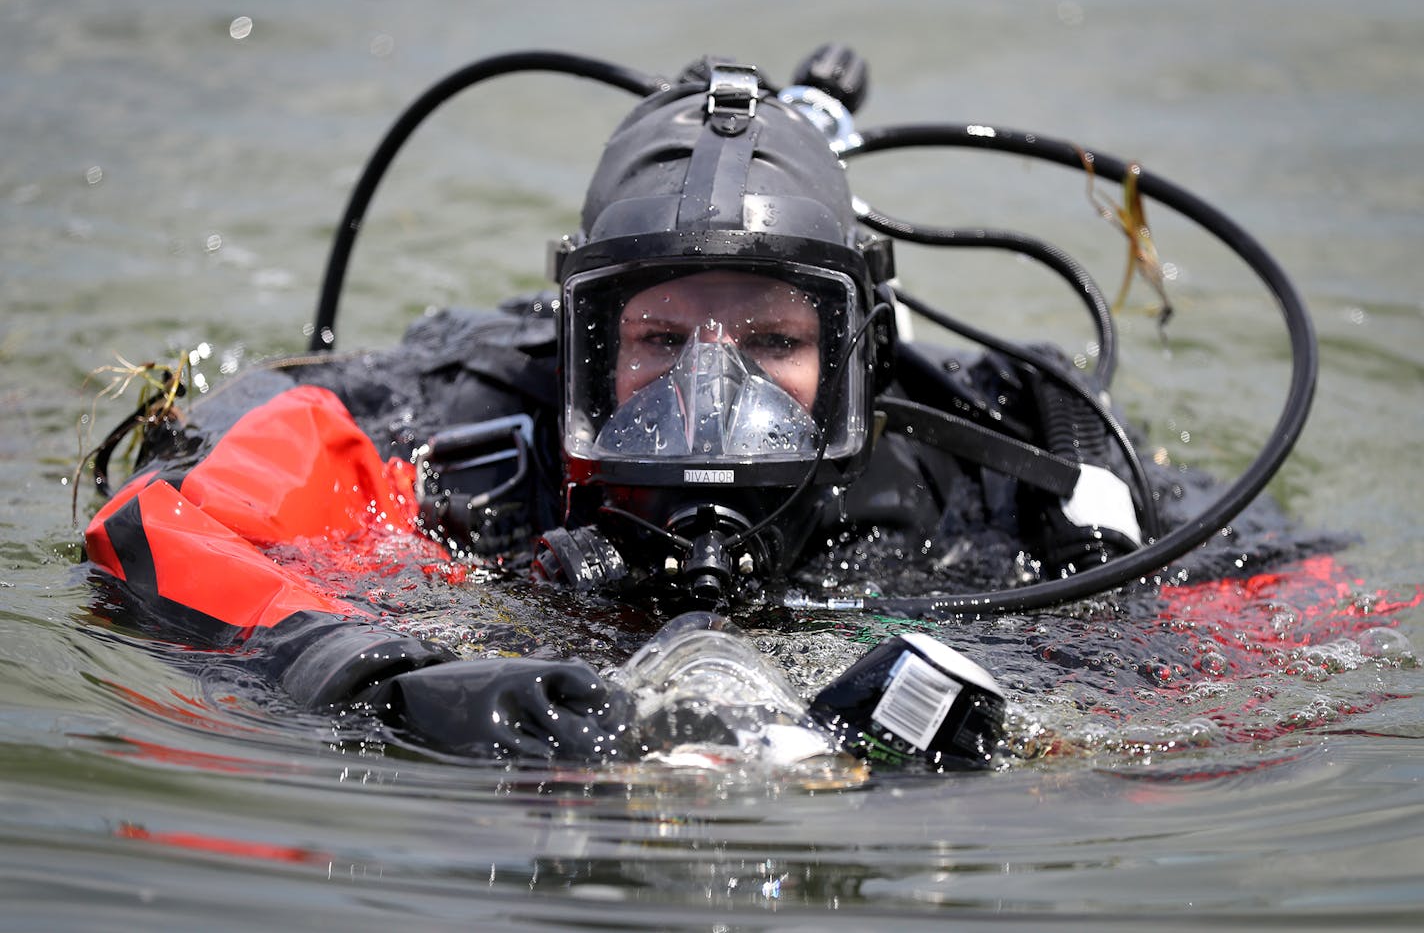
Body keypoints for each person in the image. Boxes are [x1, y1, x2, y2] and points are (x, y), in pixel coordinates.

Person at [81, 55, 1197, 766]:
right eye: (660, 339)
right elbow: (159, 526)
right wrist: (393, 680)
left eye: (773, 340)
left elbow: (1273, 645)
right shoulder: (454, 418)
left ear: (853, 352)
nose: (711, 393)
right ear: (584, 341)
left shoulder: (996, 462)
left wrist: (1005, 725)